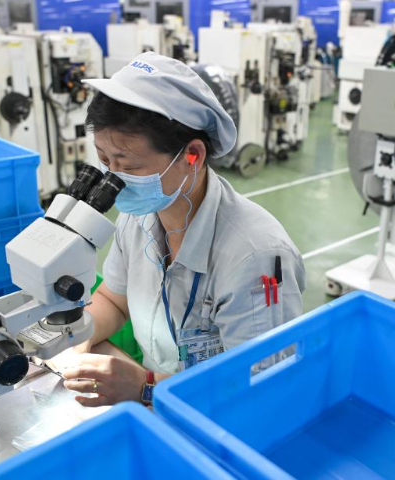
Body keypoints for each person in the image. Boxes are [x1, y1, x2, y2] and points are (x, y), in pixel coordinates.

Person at [59, 52, 306, 407]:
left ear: (193, 155)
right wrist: (74, 339)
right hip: (159, 405)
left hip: (223, 422)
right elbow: (115, 299)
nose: (114, 179)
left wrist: (145, 387)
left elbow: (260, 385)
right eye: (104, 161)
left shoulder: (254, 256)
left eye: (128, 164)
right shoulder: (139, 214)